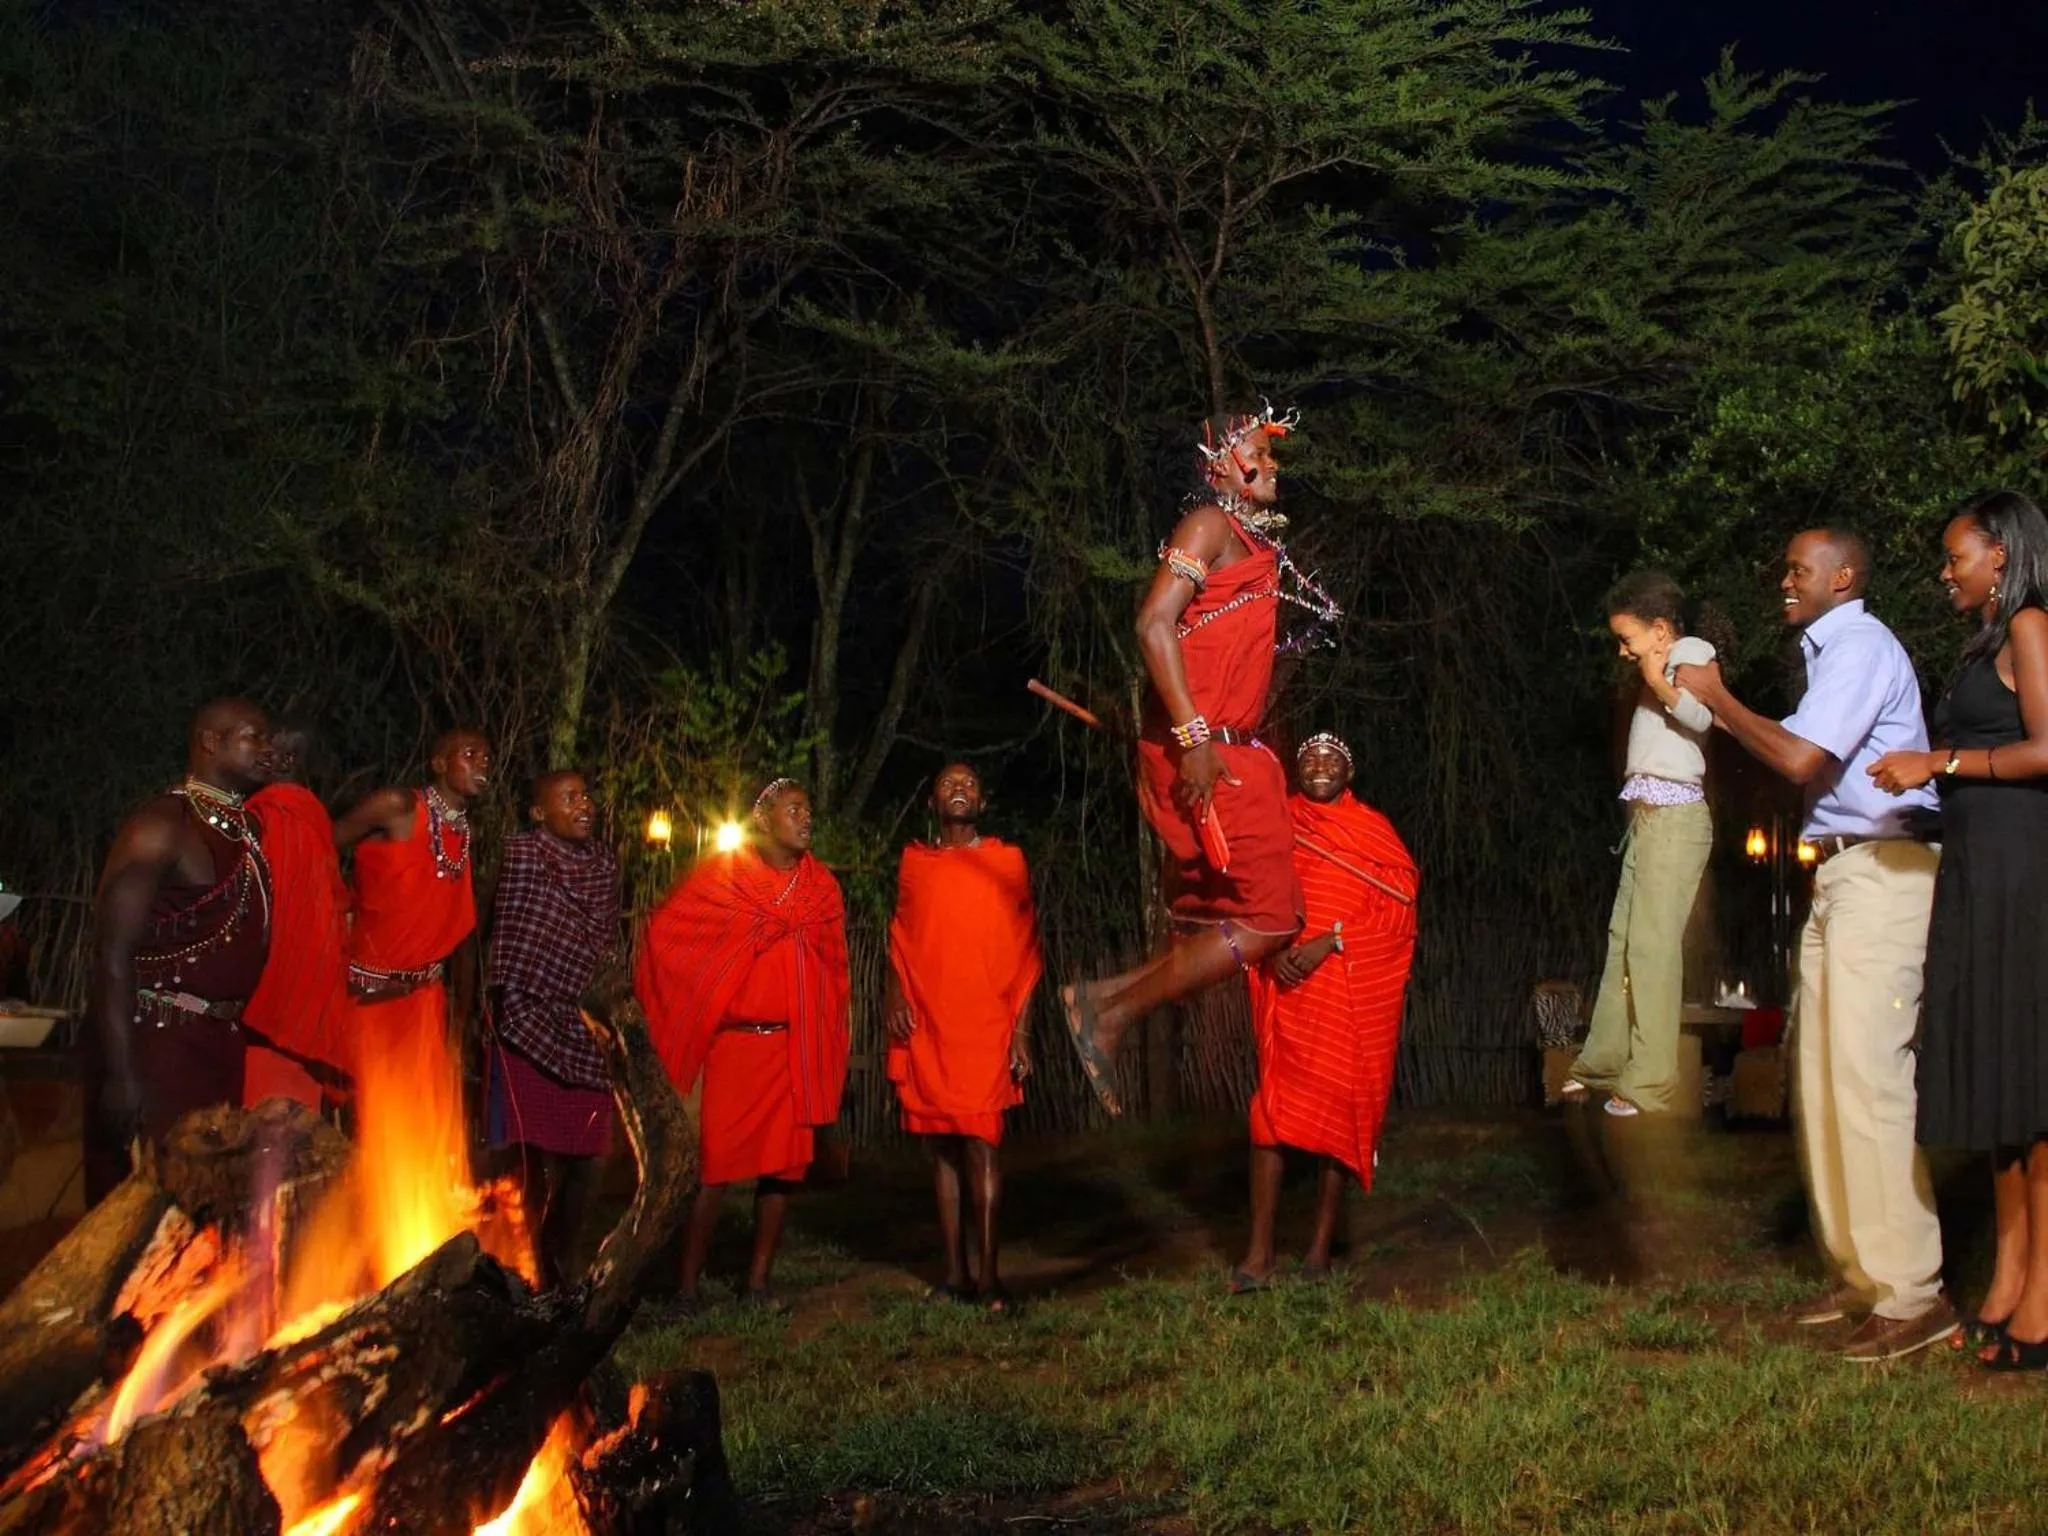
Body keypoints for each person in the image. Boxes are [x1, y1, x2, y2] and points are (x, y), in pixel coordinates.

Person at [1674, 528, 1953, 1362]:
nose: (1784, 581)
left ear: (1846, 576)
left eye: (1798, 569)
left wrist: (1718, 698)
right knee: (1827, 1080)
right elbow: (1799, 752)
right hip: (1842, 876)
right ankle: (1864, 1276)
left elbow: (1797, 757)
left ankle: (1914, 1292)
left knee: (1870, 1080)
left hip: (1885, 873)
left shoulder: (1861, 643)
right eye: (1785, 566)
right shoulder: (1830, 656)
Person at [1062, 404, 1340, 1114]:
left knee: (1269, 916)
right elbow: (1153, 625)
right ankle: (1111, 1013)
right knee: (1272, 920)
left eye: (1274, 456)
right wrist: (1192, 739)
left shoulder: (1252, 544)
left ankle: (1101, 999)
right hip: (1208, 751)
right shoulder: (1208, 526)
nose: (1272, 465)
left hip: (1233, 753)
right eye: (1259, 452)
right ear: (1217, 464)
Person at [1867, 491, 2048, 1370]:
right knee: (1997, 1077)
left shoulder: (2031, 628)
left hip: (2024, 871)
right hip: (1978, 868)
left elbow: (2047, 749)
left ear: (2002, 556)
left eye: (1956, 557)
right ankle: (2011, 1272)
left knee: (2032, 1078)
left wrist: (1936, 761)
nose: (1945, 573)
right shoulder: (1987, 640)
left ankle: (2043, 1293)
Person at [634, 778, 850, 1306]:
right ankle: (686, 1287)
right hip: (736, 1047)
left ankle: (757, 1282)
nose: (805, 819)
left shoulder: (821, 888)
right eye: (793, 809)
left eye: (808, 810)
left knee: (783, 1172)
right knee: (716, 1169)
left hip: (790, 1049)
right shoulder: (724, 880)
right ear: (763, 818)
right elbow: (667, 933)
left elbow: (835, 969)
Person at [1235, 734, 1418, 1291]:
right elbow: (1253, 893)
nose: (1318, 765)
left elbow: (1398, 912)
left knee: (1341, 1115)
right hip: (1288, 987)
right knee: (1269, 1116)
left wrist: (1329, 942)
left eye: (1331, 758)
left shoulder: (1374, 834)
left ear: (1349, 769)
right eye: (1310, 758)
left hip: (1346, 988)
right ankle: (1259, 1254)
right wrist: (1279, 950)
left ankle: (1318, 1251)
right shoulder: (1280, 824)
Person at [85, 698, 274, 1200]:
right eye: (253, 736)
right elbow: (111, 954)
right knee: (149, 1208)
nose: (267, 749)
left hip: (221, 1044)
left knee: (209, 1212)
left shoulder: (249, 832)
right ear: (211, 742)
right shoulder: (161, 826)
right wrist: (121, 1075)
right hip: (160, 1044)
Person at [884, 762, 1043, 1309]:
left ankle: (990, 1277)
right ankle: (954, 1274)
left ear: (984, 801)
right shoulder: (915, 865)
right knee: (943, 1150)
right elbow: (899, 940)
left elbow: (1028, 949)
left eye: (970, 783)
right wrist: (895, 997)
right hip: (931, 1021)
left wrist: (1022, 1030)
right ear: (932, 802)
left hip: (986, 1024)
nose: (959, 788)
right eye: (947, 783)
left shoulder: (1007, 862)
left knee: (983, 1145)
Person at [1563, 573, 1718, 1118]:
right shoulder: (1659, 662)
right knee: (1624, 939)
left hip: (1677, 820)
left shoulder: (1691, 652)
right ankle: (1602, 1062)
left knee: (1652, 947)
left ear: (1659, 631)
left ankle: (1651, 1083)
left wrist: (1658, 676)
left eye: (1628, 640)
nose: (1624, 653)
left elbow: (1704, 714)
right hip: (1649, 822)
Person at [485, 770, 622, 1287]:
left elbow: (604, 945)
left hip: (582, 1020)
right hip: (525, 1017)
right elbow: (497, 925)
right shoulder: (522, 855)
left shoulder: (606, 866)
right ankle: (522, 1270)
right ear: (539, 813)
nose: (584, 804)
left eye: (586, 794)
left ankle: (559, 1254)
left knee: (592, 1155)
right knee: (527, 1161)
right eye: (569, 798)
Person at [334, 730, 490, 1102]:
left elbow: (463, 933)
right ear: (439, 764)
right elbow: (322, 842)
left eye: (487, 757)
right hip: (369, 995)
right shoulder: (398, 806)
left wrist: (460, 1025)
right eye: (470, 754)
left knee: (415, 1124)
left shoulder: (464, 832)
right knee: (363, 1111)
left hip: (425, 1002)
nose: (483, 763)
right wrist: (339, 910)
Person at [242, 725, 352, 1111]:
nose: (253, 751)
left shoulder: (279, 814)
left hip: (280, 991)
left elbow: (276, 908)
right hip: (307, 985)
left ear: (286, 759)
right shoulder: (306, 812)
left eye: (261, 743)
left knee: (267, 1131)